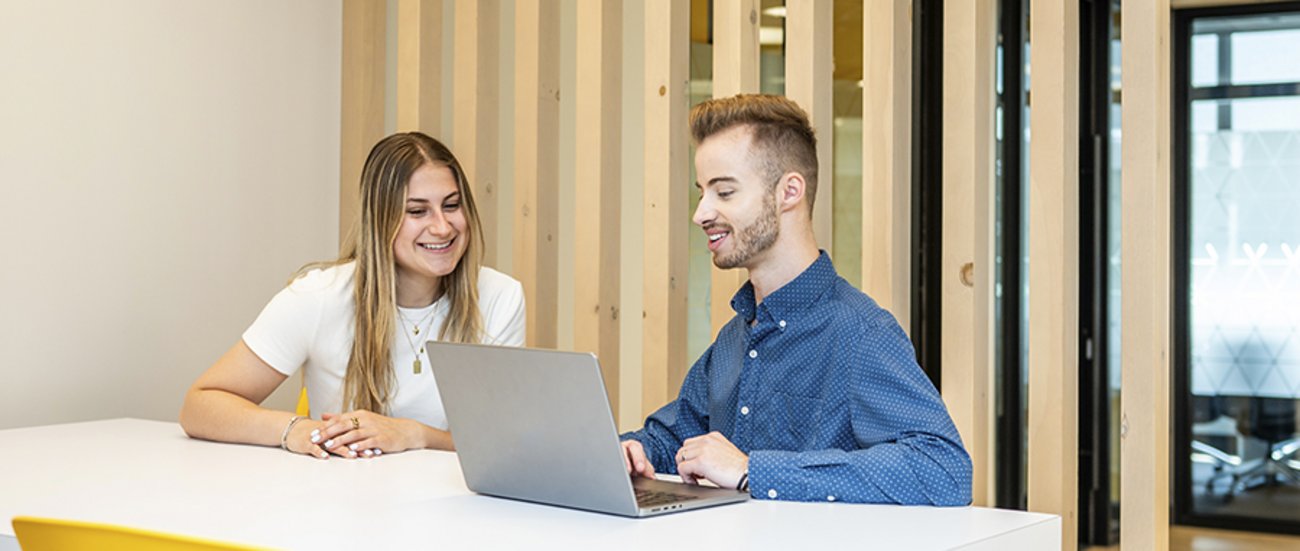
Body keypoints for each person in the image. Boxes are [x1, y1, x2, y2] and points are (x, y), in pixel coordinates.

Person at [619, 94, 971, 505]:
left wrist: (753, 471)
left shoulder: (861, 334)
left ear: (789, 192)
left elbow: (944, 469)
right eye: (703, 193)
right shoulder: (735, 337)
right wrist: (634, 451)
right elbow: (677, 436)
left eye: (724, 192)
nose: (701, 214)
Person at [180, 132, 525, 459]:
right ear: (380, 220)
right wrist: (296, 430)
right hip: (342, 492)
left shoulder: (500, 297)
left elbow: (502, 442)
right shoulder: (317, 296)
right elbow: (200, 405)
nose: (442, 227)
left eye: (451, 205)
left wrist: (414, 434)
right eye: (417, 211)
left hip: (457, 498)